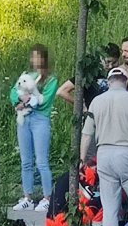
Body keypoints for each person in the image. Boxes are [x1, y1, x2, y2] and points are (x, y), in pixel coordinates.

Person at [80, 67, 128, 226]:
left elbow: (86, 135)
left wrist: (83, 160)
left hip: (104, 154)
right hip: (127, 152)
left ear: (109, 81)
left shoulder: (97, 101)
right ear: (126, 81)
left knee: (110, 210)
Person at [10, 44, 59, 212]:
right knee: (26, 161)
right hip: (24, 118)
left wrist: (27, 98)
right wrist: (18, 101)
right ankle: (28, 197)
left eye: (38, 57)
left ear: (44, 59)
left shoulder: (51, 80)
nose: (35, 60)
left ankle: (47, 197)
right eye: (33, 57)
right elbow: (13, 92)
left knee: (41, 161)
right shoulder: (26, 75)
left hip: (40, 120)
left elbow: (43, 100)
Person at [56, 43, 121, 109]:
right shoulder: (90, 73)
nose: (110, 66)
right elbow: (62, 91)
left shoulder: (120, 74)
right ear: (101, 58)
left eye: (114, 62)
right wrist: (82, 106)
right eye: (108, 62)